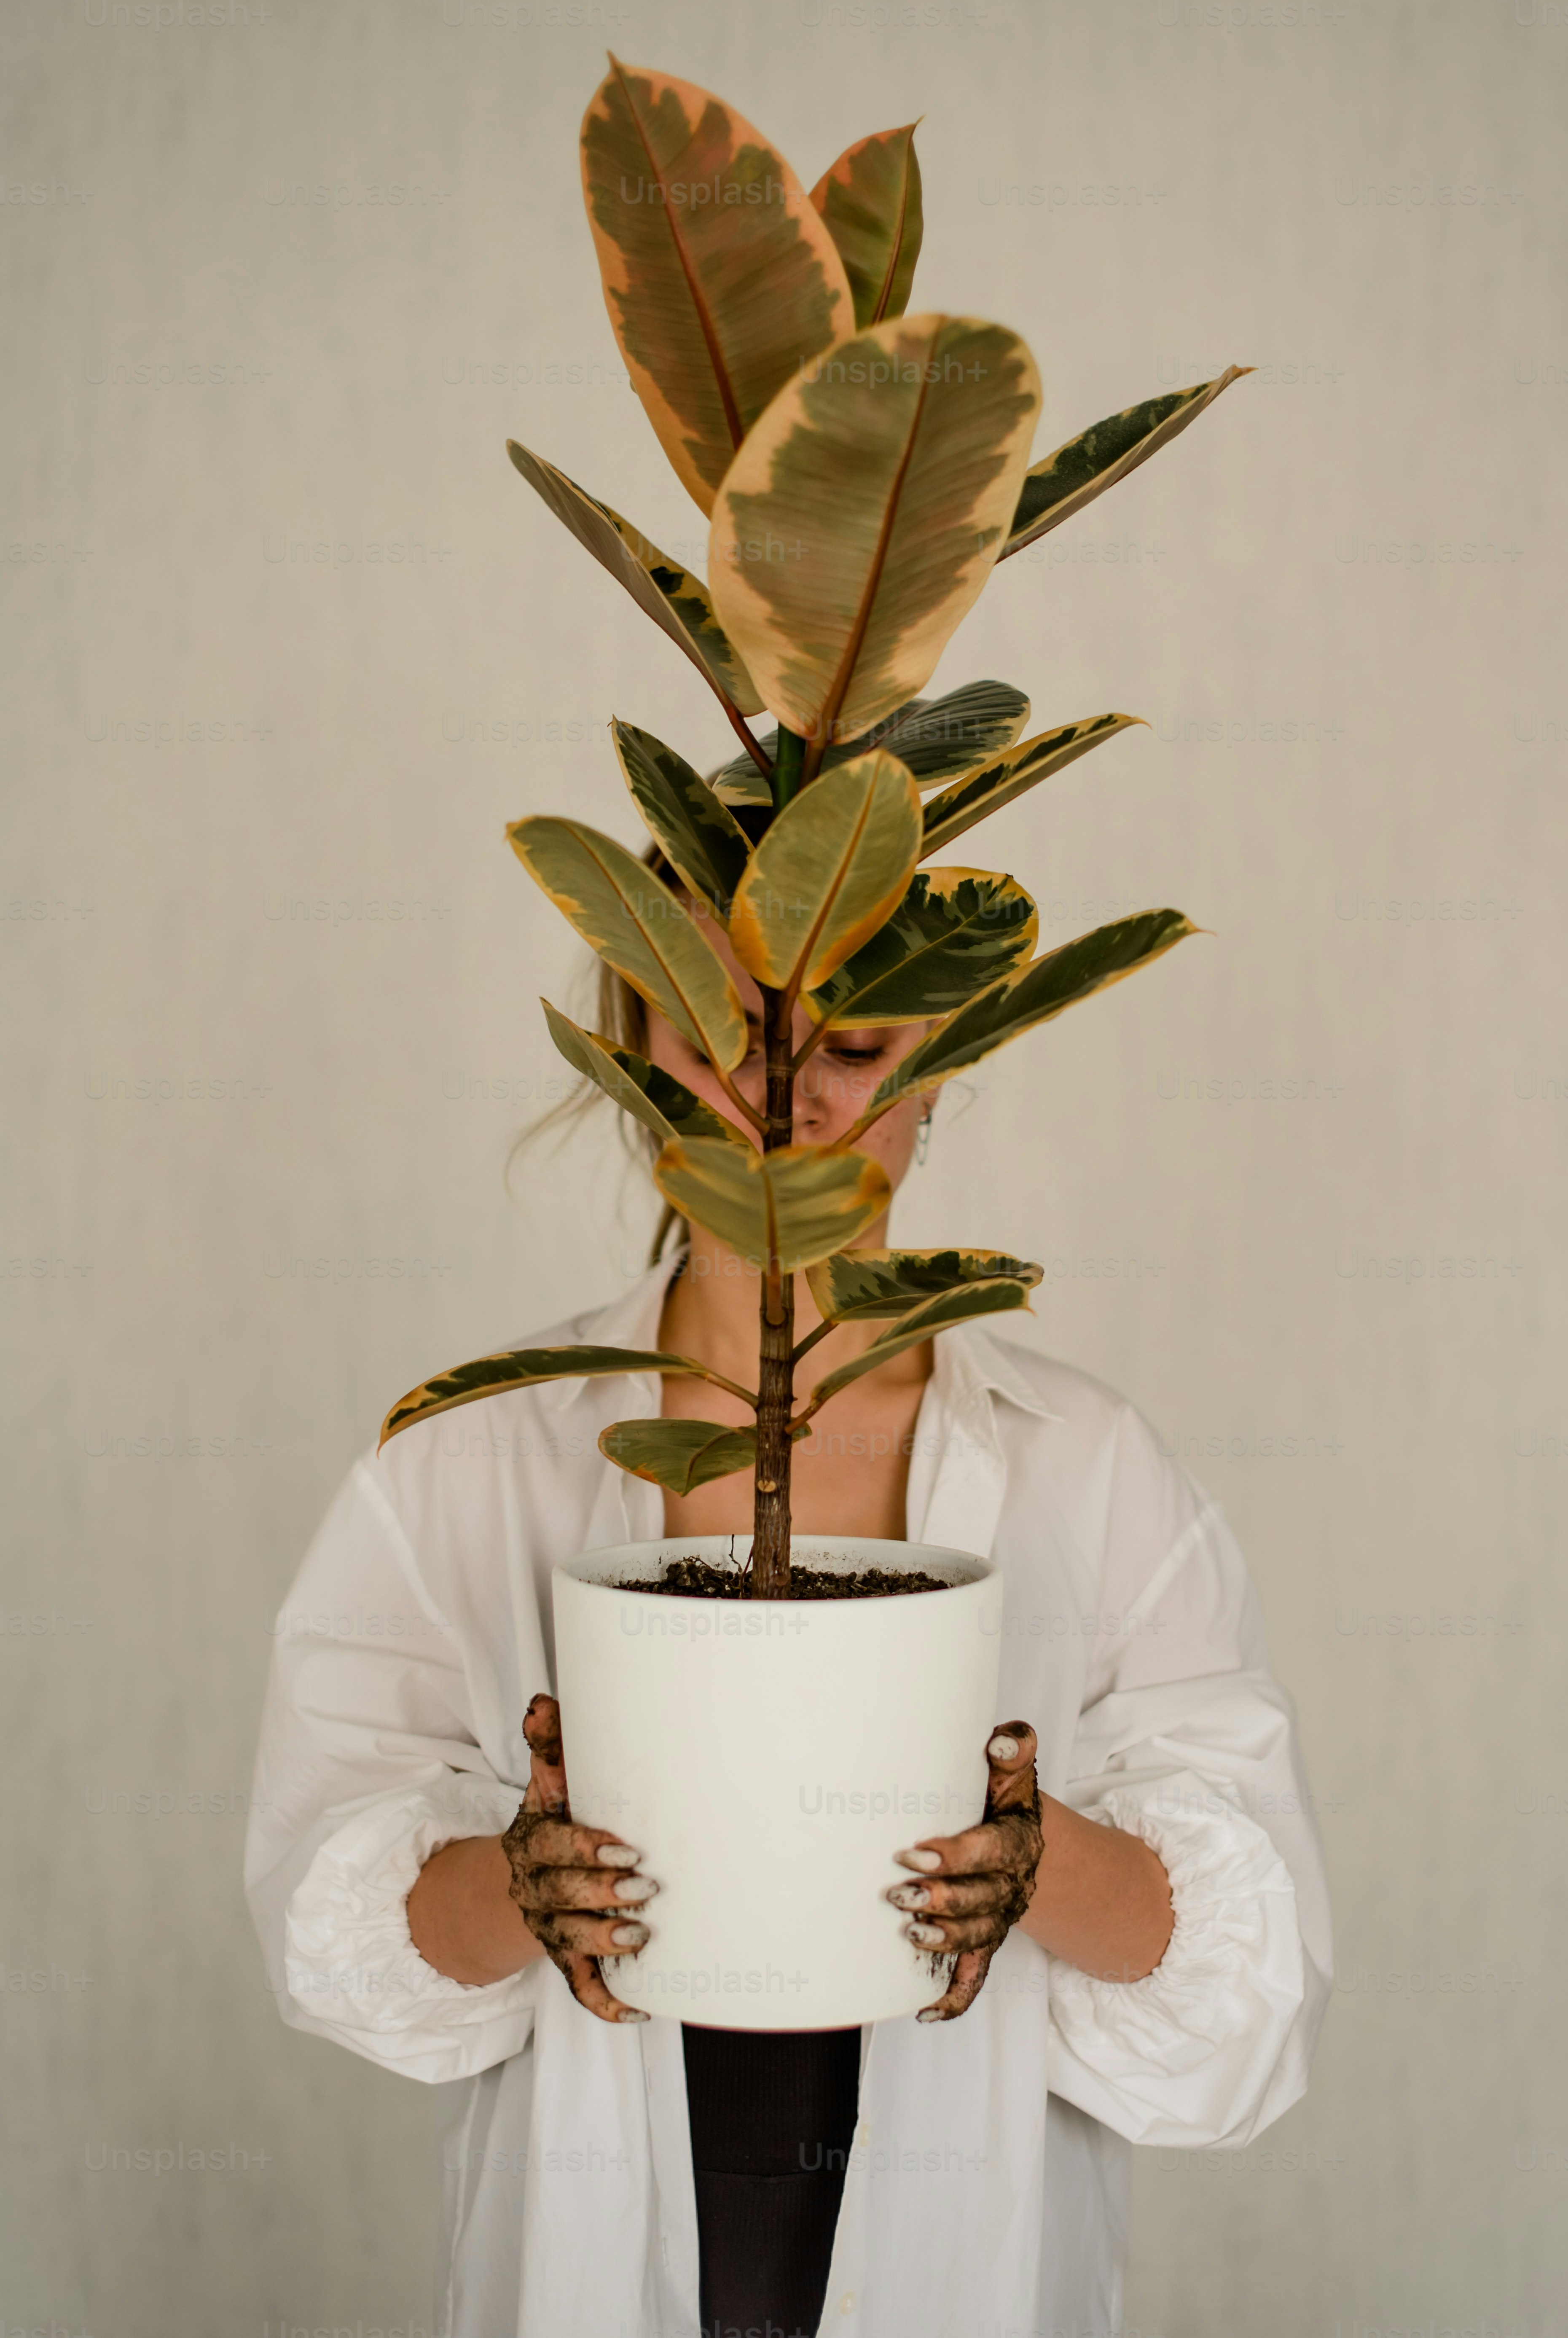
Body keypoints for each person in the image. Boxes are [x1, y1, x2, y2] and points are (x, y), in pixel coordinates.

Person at [246, 899, 1332, 2338]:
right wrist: (517, 1883)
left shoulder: (1089, 1468)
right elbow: (326, 1911)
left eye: (854, 1042)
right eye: (715, 1037)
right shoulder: (469, 1457)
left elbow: (1249, 2002)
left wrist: (1030, 1857)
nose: (779, 1098)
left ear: (941, 1058)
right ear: (632, 1048)